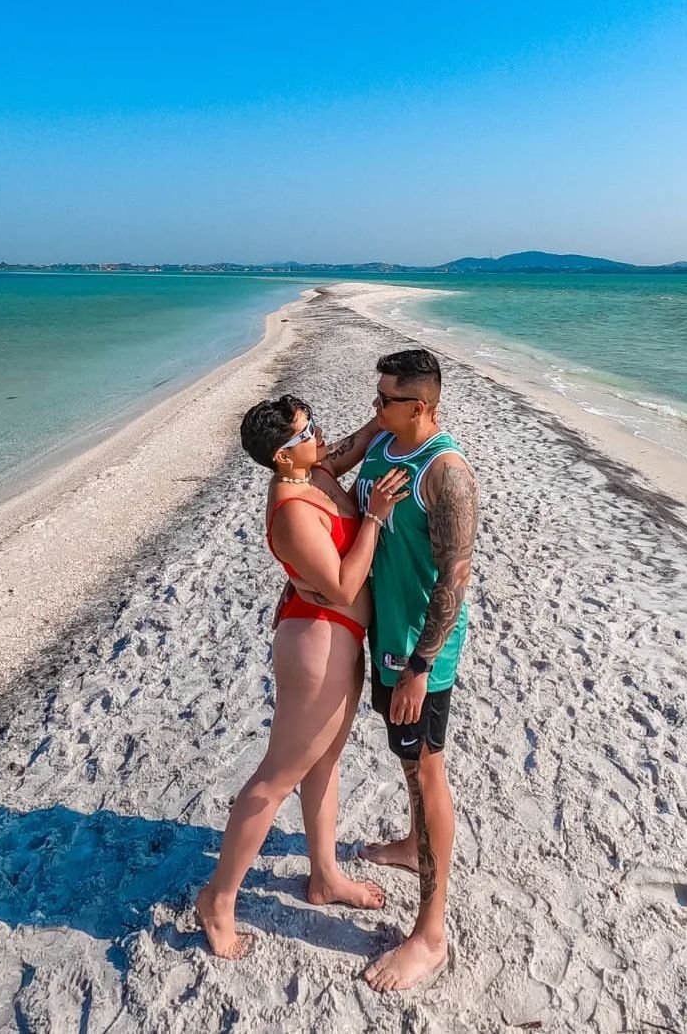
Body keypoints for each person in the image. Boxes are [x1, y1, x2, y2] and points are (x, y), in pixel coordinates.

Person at [195, 395, 410, 959]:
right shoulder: (292, 506)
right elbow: (342, 585)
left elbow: (361, 440)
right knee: (276, 778)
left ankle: (325, 876)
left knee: (324, 762)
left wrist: (392, 409)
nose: (318, 434)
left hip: (339, 636)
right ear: (281, 456)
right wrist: (374, 517)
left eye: (312, 423)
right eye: (305, 432)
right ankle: (218, 899)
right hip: (317, 641)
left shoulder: (314, 470)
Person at [353, 349, 479, 992]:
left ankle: (431, 935)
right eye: (376, 396)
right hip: (385, 638)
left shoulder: (446, 475)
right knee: (409, 761)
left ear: (421, 406)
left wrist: (421, 667)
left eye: (386, 399)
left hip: (417, 654)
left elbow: (455, 580)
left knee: (428, 770)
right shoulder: (382, 439)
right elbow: (326, 463)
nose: (375, 406)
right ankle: (411, 844)